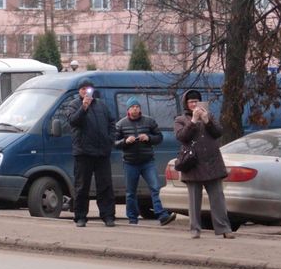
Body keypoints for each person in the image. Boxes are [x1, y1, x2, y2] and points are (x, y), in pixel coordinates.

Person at [174, 90, 235, 239]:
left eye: (197, 101)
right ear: (186, 104)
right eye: (191, 102)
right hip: (192, 164)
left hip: (212, 163)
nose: (194, 104)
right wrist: (193, 121)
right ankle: (195, 230)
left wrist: (207, 121)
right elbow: (182, 137)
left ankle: (224, 229)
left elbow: (218, 132)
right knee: (194, 201)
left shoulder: (210, 116)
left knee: (218, 199)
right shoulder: (181, 119)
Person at [114, 96, 177, 226]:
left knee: (155, 188)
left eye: (137, 107)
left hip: (147, 161)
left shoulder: (149, 121)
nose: (135, 109)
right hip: (130, 162)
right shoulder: (121, 124)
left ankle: (162, 215)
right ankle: (132, 218)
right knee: (131, 191)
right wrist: (125, 141)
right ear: (128, 110)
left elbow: (159, 137)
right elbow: (114, 143)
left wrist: (148, 137)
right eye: (132, 107)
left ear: (140, 108)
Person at [65, 78, 116, 227]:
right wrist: (84, 107)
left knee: (105, 186)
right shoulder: (73, 105)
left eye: (88, 89)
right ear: (79, 91)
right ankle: (80, 216)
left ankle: (108, 216)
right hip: (83, 152)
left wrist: (110, 139)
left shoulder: (101, 105)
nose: (85, 91)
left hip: (102, 152)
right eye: (83, 89)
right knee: (82, 186)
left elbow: (112, 122)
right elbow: (73, 121)